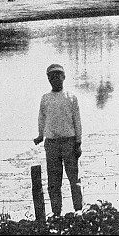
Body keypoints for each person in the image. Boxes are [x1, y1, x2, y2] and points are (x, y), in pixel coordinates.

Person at [33, 64, 83, 216]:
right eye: (52, 77)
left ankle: (79, 210)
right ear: (48, 79)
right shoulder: (45, 98)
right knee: (54, 182)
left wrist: (78, 143)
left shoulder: (71, 97)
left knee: (74, 179)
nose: (55, 79)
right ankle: (56, 213)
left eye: (58, 76)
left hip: (69, 142)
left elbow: (77, 121)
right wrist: (41, 136)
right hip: (52, 144)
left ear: (64, 77)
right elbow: (41, 118)